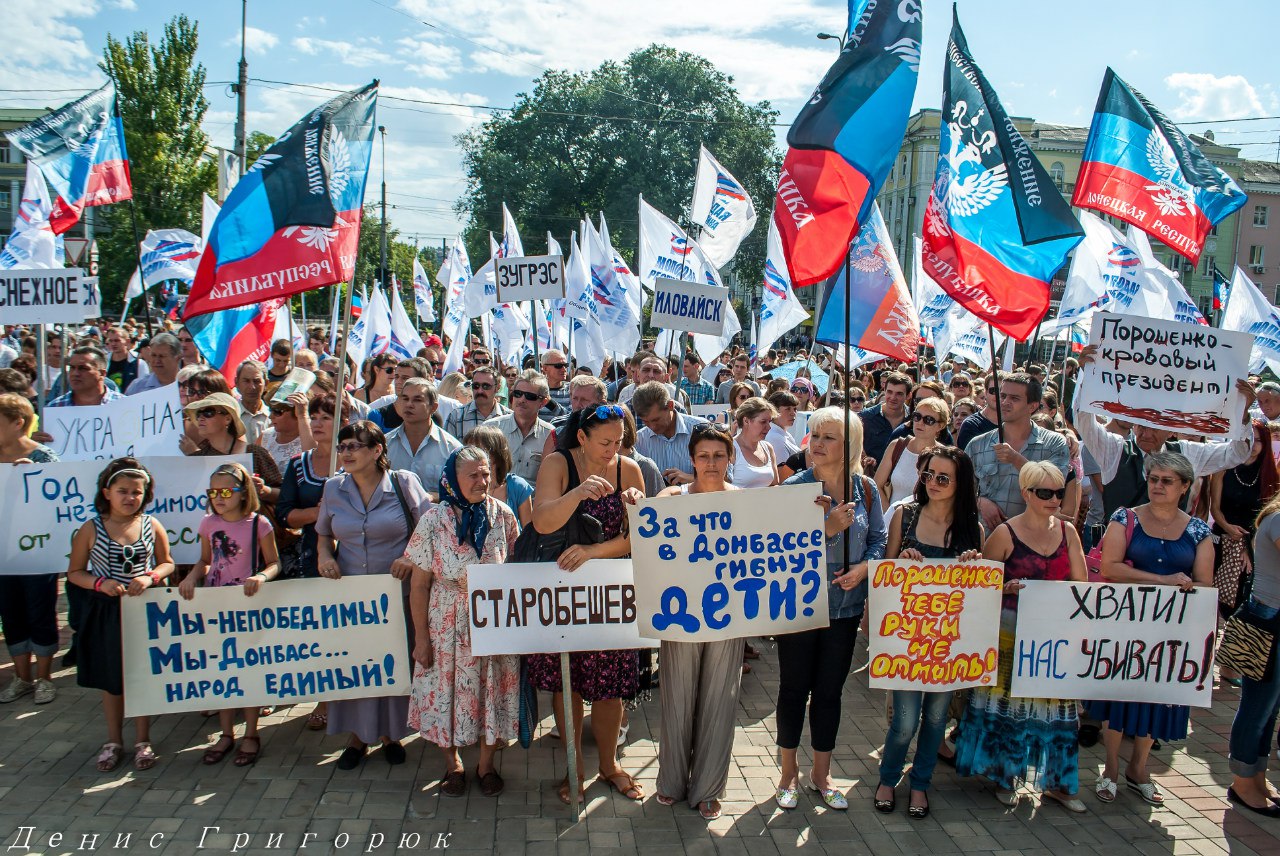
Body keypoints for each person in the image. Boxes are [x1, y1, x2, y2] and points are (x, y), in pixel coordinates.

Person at [527, 405, 647, 805]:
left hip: (609, 589)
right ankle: (573, 766)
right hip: (562, 590)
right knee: (569, 682)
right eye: (605, 442)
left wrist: (594, 551)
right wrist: (578, 492)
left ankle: (609, 765)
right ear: (582, 438)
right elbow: (542, 521)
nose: (613, 449)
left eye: (619, 441)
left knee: (611, 685)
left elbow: (636, 538)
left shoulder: (628, 469)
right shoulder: (558, 463)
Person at [954, 461, 1088, 811]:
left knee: (1058, 711)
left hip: (1054, 638)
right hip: (1010, 636)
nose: (1054, 500)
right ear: (1026, 493)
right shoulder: (1004, 534)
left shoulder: (1069, 532)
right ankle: (1005, 774)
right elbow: (980, 587)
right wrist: (1006, 586)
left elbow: (1082, 586)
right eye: (1045, 493)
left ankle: (1059, 783)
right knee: (1009, 708)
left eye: (1059, 493)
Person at [774, 407, 886, 810]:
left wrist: (863, 568)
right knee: (793, 689)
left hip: (845, 608)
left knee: (828, 693)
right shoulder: (794, 487)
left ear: (849, 445)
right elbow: (778, 549)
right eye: (814, 435)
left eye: (828, 437)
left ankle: (822, 774)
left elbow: (878, 538)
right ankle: (788, 773)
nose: (817, 444)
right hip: (800, 607)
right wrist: (827, 528)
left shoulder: (867, 490)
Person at [1088, 452, 1213, 807]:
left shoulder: (1198, 530)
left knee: (1157, 697)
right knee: (1120, 693)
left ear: (1185, 486)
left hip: (1172, 631)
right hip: (1125, 624)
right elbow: (1110, 567)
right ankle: (1110, 768)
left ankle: (1139, 769)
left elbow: (1205, 582)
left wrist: (1185, 587)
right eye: (1153, 478)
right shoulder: (1125, 518)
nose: (1157, 485)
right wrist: (1162, 580)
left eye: (1167, 480)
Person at [406, 447, 522, 798]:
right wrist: (421, 639)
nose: (481, 481)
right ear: (452, 478)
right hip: (446, 618)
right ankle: (453, 764)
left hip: (492, 619)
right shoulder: (432, 519)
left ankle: (486, 765)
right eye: (473, 474)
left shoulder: (502, 514)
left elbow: (515, 568)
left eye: (486, 473)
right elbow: (420, 584)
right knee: (445, 689)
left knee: (491, 689)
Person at [316, 421, 431, 769]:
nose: (346, 453)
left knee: (393, 663)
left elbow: (430, 528)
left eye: (355, 446)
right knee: (357, 663)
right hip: (351, 598)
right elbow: (323, 534)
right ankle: (357, 736)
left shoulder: (404, 483)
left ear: (377, 451)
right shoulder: (333, 488)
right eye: (343, 446)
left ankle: (391, 734)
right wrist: (324, 556)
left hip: (398, 595)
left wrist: (409, 558)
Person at [877, 447, 984, 818]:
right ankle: (888, 778)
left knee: (937, 720)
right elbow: (885, 575)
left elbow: (976, 595)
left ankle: (920, 784)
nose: (933, 484)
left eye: (943, 478)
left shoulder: (973, 529)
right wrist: (900, 561)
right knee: (905, 722)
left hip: (947, 646)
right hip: (907, 641)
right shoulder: (904, 517)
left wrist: (974, 565)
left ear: (961, 484)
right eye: (928, 476)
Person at [653, 422, 745, 820]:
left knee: (720, 701)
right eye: (703, 456)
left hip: (729, 618)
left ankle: (708, 788)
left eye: (719, 456)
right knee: (676, 696)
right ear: (691, 458)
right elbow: (647, 535)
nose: (711, 463)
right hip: (681, 616)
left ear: (730, 459)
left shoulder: (746, 501)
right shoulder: (673, 497)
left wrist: (821, 521)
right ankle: (671, 781)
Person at [64, 459, 174, 772]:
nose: (130, 497)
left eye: (136, 492)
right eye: (122, 491)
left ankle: (143, 739)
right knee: (112, 680)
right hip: (105, 612)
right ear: (107, 493)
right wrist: (101, 583)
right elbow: (74, 572)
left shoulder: (152, 525)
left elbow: (167, 562)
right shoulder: (90, 528)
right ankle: (113, 740)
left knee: (141, 677)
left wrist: (151, 577)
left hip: (144, 611)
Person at [179, 463, 280, 767]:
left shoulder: (259, 524)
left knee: (247, 670)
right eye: (213, 492)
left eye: (226, 491)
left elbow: (274, 562)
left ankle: (251, 732)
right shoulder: (208, 523)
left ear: (242, 492)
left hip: (247, 606)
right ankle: (225, 733)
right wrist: (191, 577)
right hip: (216, 605)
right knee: (223, 671)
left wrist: (261, 577)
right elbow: (205, 560)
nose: (219, 497)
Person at [0, 395, 60, 706]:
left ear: (17, 423)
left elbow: (60, 502)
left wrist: (32, 483)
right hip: (3, 552)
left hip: (38, 551)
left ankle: (44, 678)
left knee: (40, 612)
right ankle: (21, 677)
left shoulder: (43, 459)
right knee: (11, 614)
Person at [1226, 491, 1280, 816]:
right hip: (1267, 620)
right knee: (1258, 706)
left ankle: (1255, 776)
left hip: (1270, 617)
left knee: (1269, 708)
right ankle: (1244, 782)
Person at [965, 373, 1071, 531]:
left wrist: (1016, 459)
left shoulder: (1054, 443)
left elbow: (1053, 486)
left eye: (1014, 398)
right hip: (985, 540)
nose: (1005, 402)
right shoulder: (978, 444)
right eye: (1003, 396)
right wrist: (979, 501)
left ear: (1032, 406)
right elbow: (959, 489)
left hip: (1034, 541)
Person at [1210, 420, 1279, 626]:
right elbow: (1215, 507)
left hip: (1252, 542)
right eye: (1249, 439)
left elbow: (1266, 516)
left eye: (1258, 440)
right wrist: (1228, 528)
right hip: (1221, 536)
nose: (1253, 444)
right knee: (1214, 591)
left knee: (1240, 593)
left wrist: (1249, 547)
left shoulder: (1270, 474)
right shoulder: (1225, 467)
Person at [385, 378, 461, 503]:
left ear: (433, 407)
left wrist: (434, 497)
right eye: (405, 398)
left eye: (417, 400)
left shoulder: (452, 449)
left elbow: (460, 492)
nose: (409, 404)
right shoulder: (385, 444)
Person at [876, 396, 950, 511]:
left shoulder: (944, 456)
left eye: (928, 420)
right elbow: (877, 485)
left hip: (924, 524)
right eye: (917, 417)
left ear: (941, 426)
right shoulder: (896, 446)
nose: (920, 422)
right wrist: (890, 516)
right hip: (890, 520)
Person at [485, 370, 553, 485]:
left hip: (533, 501)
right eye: (517, 393)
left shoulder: (550, 436)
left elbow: (550, 481)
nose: (522, 399)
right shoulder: (491, 428)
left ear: (543, 402)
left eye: (530, 396)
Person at [633, 382, 706, 488]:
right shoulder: (639, 441)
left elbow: (727, 477)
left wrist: (693, 479)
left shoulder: (702, 430)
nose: (652, 427)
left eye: (656, 420)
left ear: (670, 406)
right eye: (646, 422)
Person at [465, 426, 534, 527]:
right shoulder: (462, 484)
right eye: (469, 451)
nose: (472, 456)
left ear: (497, 453)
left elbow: (528, 535)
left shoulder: (518, 486)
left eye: (479, 450)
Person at [859, 371, 911, 466]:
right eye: (889, 392)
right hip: (872, 477)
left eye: (899, 394)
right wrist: (865, 458)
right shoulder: (866, 417)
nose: (893, 397)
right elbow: (854, 447)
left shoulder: (915, 420)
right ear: (884, 391)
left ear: (908, 395)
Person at [446, 366, 509, 439]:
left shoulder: (508, 417)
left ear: (497, 388)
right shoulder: (456, 416)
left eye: (486, 386)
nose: (480, 391)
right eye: (476, 386)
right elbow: (448, 448)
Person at [730, 397, 780, 489]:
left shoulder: (768, 448)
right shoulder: (731, 448)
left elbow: (775, 484)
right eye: (763, 422)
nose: (768, 427)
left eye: (769, 422)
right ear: (746, 421)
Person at [259, 390, 311, 472]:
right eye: (270, 410)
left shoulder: (314, 437)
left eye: (277, 411)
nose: (270, 416)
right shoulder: (265, 436)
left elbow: (311, 462)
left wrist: (302, 416)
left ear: (296, 412)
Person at [235, 360, 270, 445]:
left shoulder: (274, 416)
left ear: (266, 384)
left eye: (257, 381)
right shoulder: (230, 417)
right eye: (246, 381)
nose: (252, 387)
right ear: (236, 383)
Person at [104, 327, 147, 392]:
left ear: (127, 341)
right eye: (111, 340)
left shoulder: (139, 363)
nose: (113, 344)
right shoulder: (104, 362)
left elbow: (144, 387)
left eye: (117, 340)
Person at [766, 390, 802, 462]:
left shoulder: (784, 433)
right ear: (774, 411)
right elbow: (782, 470)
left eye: (795, 409)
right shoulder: (774, 438)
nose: (793, 413)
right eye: (788, 409)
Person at [540, 349, 572, 417]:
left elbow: (570, 419)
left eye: (565, 365)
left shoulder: (572, 389)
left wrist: (550, 403)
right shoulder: (536, 390)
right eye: (559, 366)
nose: (564, 369)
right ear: (545, 368)